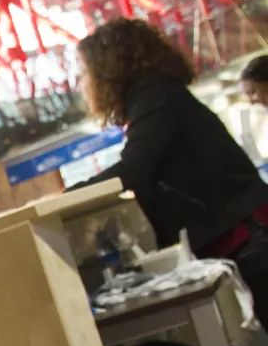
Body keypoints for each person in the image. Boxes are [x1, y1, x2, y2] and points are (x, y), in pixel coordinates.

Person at [78, 17, 268, 298]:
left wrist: (66, 197)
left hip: (244, 232)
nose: (83, 81)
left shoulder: (153, 96)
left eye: (85, 70)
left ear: (109, 67)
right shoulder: (158, 95)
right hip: (239, 230)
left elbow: (134, 168)